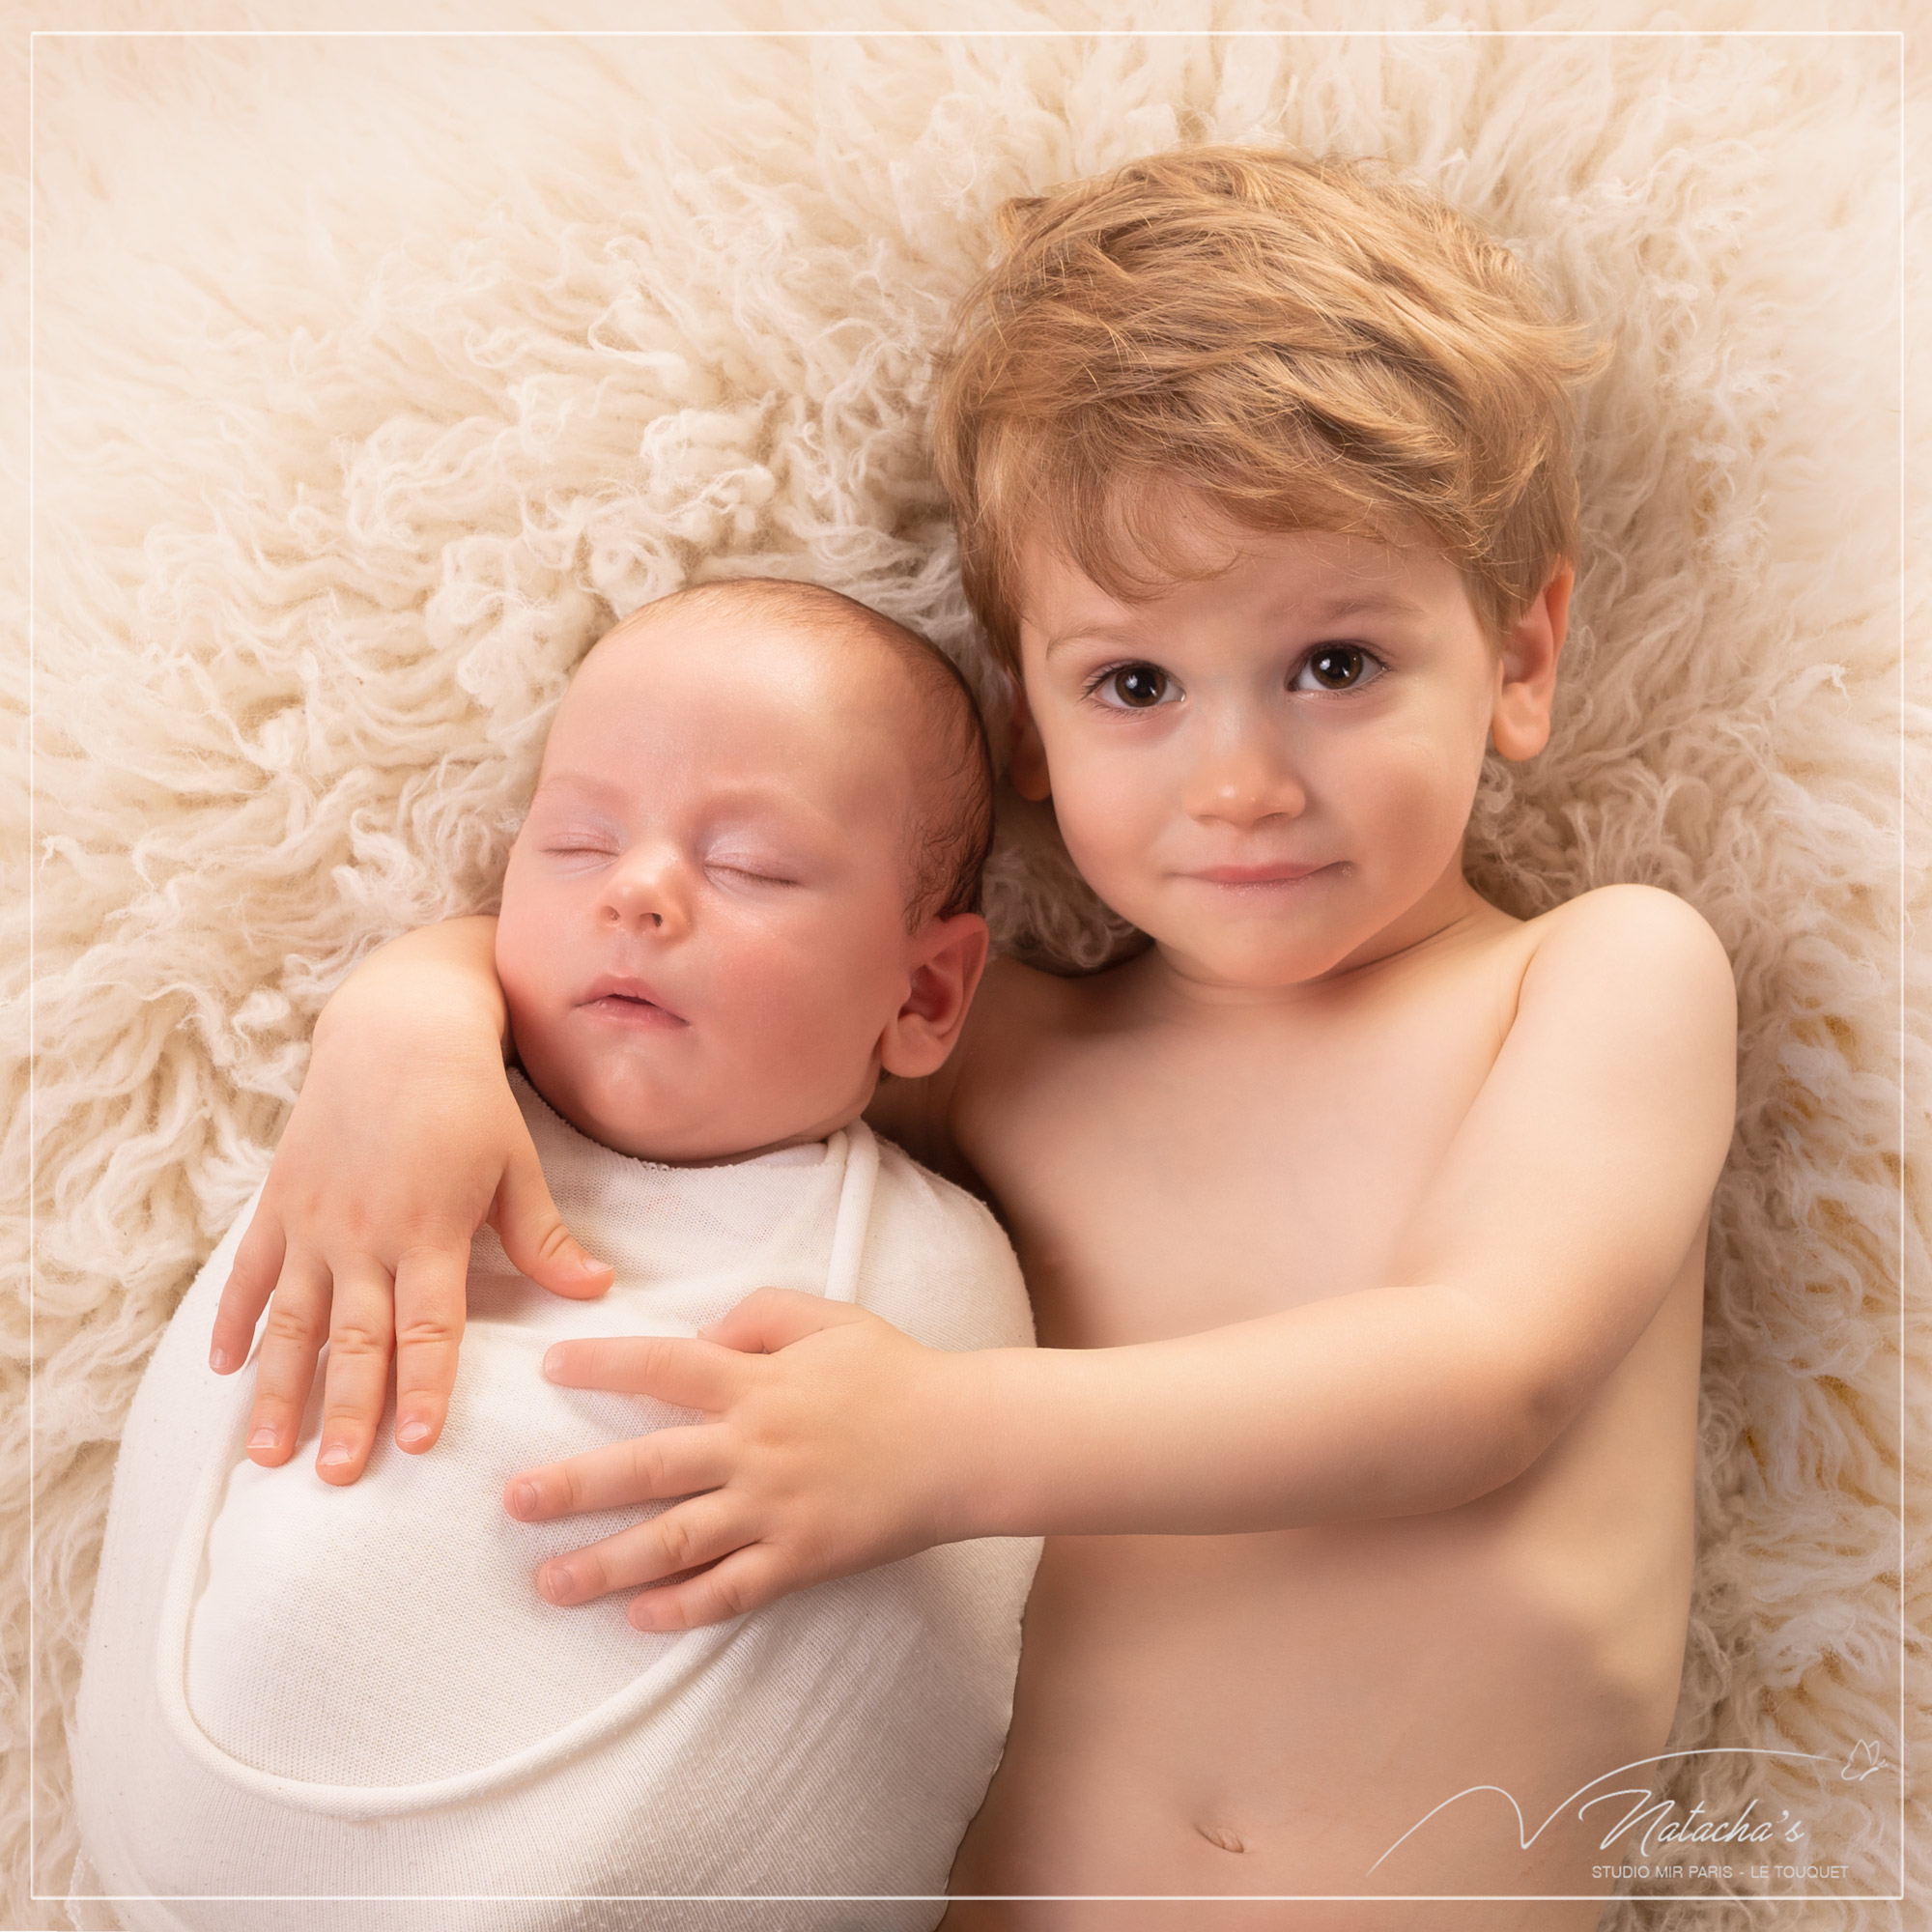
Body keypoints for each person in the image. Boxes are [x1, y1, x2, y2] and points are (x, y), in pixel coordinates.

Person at [202, 148, 1739, 1930]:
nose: (1238, 780)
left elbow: (1485, 1374)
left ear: (1522, 653)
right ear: (1026, 721)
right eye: (1136, 687)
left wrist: (937, 1444)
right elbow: (675, 976)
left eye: (1335, 663)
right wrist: (403, 1021)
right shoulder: (1001, 1049)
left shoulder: (1600, 979)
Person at [70, 582, 1042, 1932]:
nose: (639, 890)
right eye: (578, 840)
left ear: (925, 993)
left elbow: (898, 1658)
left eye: (752, 864)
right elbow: (241, 1388)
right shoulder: (394, 1134)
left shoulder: (930, 1270)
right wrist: (406, 1007)